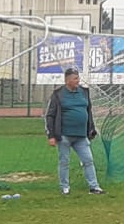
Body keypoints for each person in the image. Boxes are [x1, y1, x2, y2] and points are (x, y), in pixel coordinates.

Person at [43, 67, 104, 195]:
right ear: (68, 80)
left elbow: (88, 111)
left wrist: (91, 128)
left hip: (81, 136)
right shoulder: (58, 94)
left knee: (88, 160)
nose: (78, 80)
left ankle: (94, 187)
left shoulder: (84, 92)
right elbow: (50, 115)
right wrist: (51, 135)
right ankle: (65, 187)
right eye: (75, 78)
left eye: (78, 78)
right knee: (64, 162)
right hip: (64, 135)